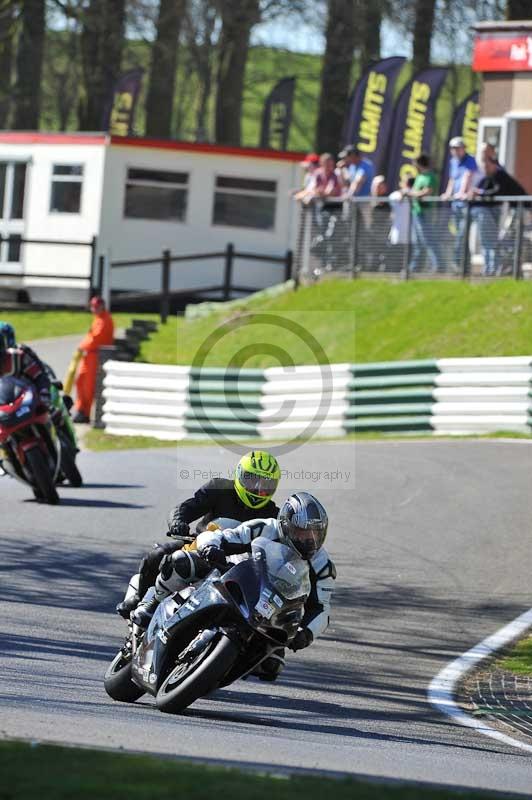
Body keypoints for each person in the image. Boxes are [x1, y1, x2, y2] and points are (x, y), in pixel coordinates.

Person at [132, 491, 336, 682]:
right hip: (236, 576)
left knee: (272, 666)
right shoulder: (265, 527)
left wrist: (307, 633)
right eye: (301, 532)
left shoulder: (322, 564)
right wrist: (211, 547)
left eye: (315, 534)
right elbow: (226, 535)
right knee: (182, 562)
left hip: (274, 608)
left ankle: (218, 669)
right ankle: (153, 602)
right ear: (285, 524)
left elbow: (322, 608)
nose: (308, 540)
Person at [116, 450, 282, 618]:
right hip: (200, 548)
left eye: (265, 485)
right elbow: (186, 507)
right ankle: (140, 598)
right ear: (239, 475)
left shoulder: (273, 514)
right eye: (252, 480)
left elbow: (284, 547)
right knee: (158, 555)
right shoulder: (219, 488)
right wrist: (178, 522)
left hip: (240, 565)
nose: (257, 488)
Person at [471, 155, 528, 276]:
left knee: (507, 238)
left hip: (522, 208)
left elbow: (497, 192)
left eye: (486, 166)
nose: (485, 169)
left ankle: (512, 268)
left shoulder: (500, 175)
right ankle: (511, 268)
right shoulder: (492, 176)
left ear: (493, 165)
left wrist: (480, 193)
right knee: (508, 238)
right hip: (515, 209)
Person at [73, 296, 114, 424]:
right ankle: (80, 409)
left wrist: (81, 346)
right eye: (92, 307)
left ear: (102, 306)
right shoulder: (98, 319)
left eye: (96, 307)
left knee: (88, 386)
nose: (93, 309)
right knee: (80, 380)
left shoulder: (105, 320)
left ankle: (84, 412)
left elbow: (95, 339)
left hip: (96, 356)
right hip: (89, 355)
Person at [441, 136, 478, 270]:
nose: (455, 151)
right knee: (460, 235)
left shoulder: (471, 160)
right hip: (455, 204)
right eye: (453, 149)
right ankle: (464, 266)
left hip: (466, 204)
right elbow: (452, 179)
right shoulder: (453, 162)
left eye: (458, 148)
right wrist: (447, 193)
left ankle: (458, 263)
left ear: (464, 148)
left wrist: (462, 193)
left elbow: (468, 176)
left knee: (462, 235)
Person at [406, 154, 444, 273]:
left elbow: (427, 192)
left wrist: (410, 193)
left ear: (419, 164)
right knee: (418, 241)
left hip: (425, 212)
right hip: (416, 212)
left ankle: (439, 265)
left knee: (428, 239)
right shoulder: (419, 177)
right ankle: (414, 267)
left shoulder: (430, 176)